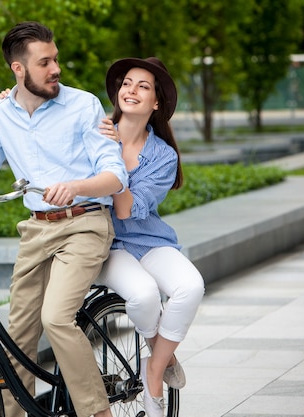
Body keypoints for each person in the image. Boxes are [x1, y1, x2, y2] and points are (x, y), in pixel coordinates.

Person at [0, 21, 128, 417]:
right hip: (35, 230)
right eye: (44, 62)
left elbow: (115, 175)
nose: (55, 69)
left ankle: (96, 412)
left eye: (56, 59)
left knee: (56, 317)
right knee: (19, 334)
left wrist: (76, 186)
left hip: (84, 223)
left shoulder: (83, 105)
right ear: (19, 69)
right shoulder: (0, 112)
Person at [97, 57, 205, 417]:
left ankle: (154, 373)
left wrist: (112, 159)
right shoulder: (94, 132)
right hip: (105, 243)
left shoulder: (163, 156)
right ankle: (163, 349)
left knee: (191, 286)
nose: (132, 90)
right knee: (143, 295)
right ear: (117, 91)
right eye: (127, 83)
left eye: (143, 86)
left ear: (156, 103)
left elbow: (127, 209)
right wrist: (11, 97)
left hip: (149, 240)